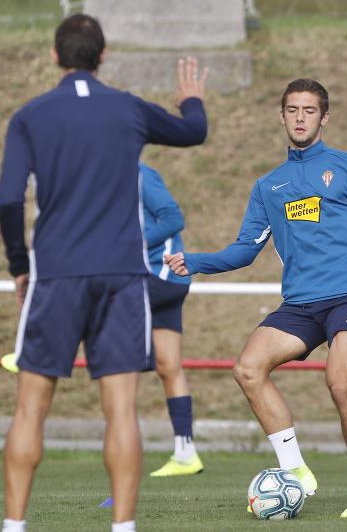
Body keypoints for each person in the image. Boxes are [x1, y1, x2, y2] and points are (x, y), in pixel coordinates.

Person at [165, 78, 347, 519]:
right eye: (293, 110)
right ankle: (295, 470)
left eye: (309, 110)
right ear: (282, 116)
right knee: (247, 368)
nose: (301, 118)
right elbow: (246, 250)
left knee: (340, 383)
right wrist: (198, 260)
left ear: (324, 117)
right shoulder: (269, 186)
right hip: (300, 303)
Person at [0, 14, 208, 532]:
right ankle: (123, 527)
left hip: (58, 276)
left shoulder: (31, 116)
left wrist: (20, 267)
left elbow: (7, 198)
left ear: (55, 56)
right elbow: (193, 132)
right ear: (104, 55)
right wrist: (191, 100)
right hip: (120, 278)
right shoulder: (128, 108)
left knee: (30, 410)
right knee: (120, 409)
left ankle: (13, 526)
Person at [140, 162, 203, 477]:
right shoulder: (101, 173)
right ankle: (185, 453)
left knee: (116, 359)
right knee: (168, 365)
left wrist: (129, 239)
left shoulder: (140, 174)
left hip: (157, 277)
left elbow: (173, 218)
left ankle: (41, 349)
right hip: (167, 282)